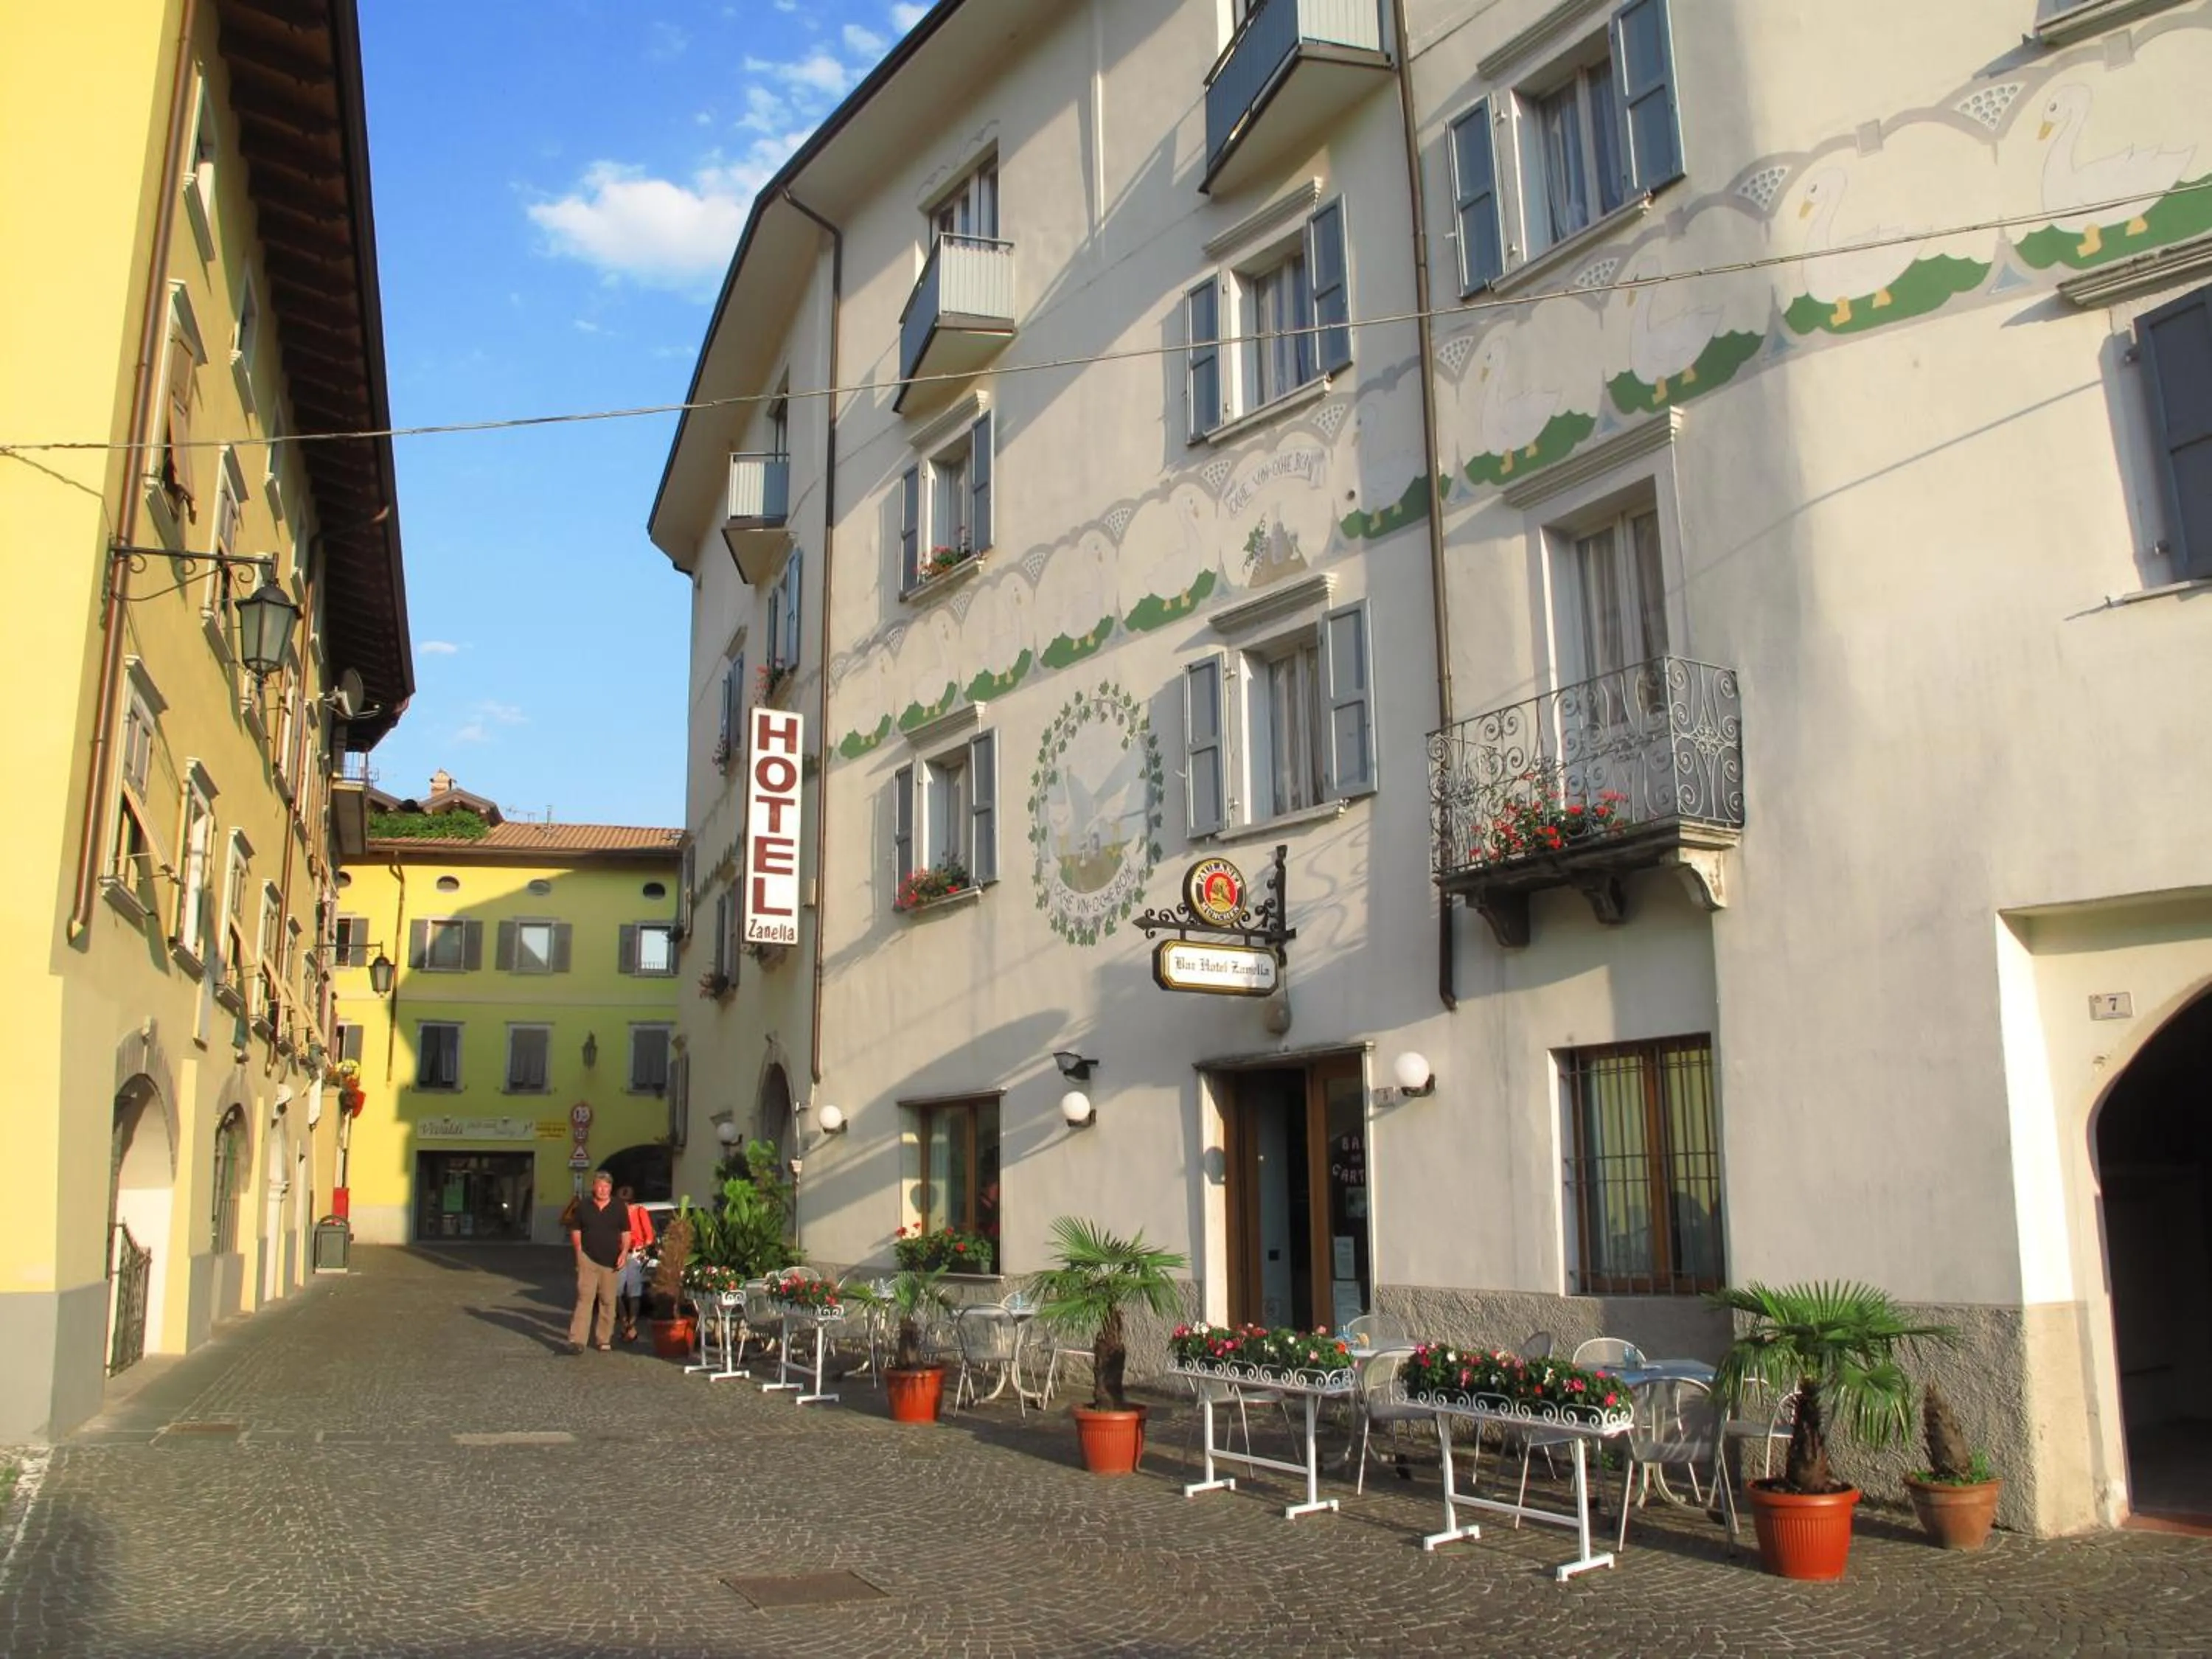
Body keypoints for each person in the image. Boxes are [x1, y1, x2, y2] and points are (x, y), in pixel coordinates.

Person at [567, 1171, 631, 1352]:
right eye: (600, 1186)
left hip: (611, 1260)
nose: (603, 1190)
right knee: (585, 1298)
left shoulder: (619, 1207)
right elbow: (575, 1229)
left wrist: (624, 1252)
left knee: (608, 1300)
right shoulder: (584, 1207)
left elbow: (626, 1232)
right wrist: (579, 1250)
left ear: (611, 1188)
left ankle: (603, 1339)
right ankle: (577, 1340)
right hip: (587, 1257)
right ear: (594, 1187)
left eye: (607, 1186)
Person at [615, 1184, 657, 1341]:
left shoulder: (640, 1211)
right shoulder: (616, 1213)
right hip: (619, 1254)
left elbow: (649, 1236)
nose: (625, 1204)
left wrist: (643, 1246)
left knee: (634, 1292)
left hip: (635, 1255)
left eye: (627, 1201)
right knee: (616, 1292)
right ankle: (624, 1322)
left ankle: (631, 1326)